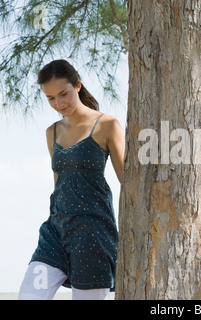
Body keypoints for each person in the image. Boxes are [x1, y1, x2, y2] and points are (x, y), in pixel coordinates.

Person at [18, 59, 125, 300]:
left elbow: (127, 183)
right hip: (55, 232)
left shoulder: (106, 124)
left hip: (93, 234)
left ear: (77, 85)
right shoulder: (52, 132)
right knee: (29, 296)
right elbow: (59, 185)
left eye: (63, 94)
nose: (59, 103)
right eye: (51, 98)